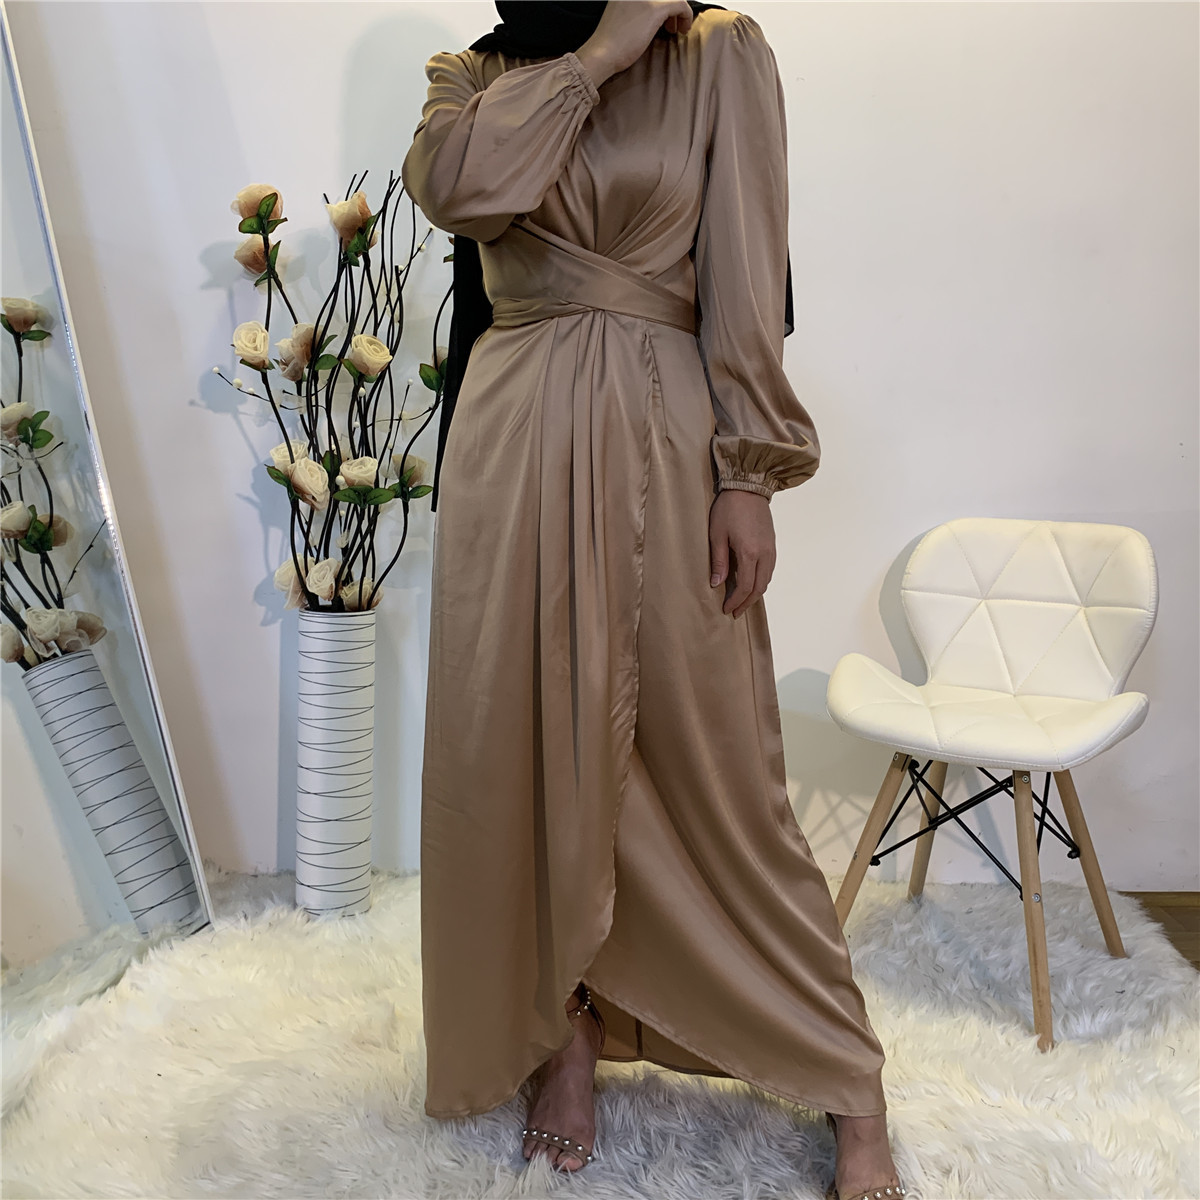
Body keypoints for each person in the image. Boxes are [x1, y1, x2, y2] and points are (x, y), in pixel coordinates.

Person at [401, 4, 908, 1198]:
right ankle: (564, 1038)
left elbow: (747, 269)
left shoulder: (721, 52)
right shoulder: (469, 72)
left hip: (664, 439)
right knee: (516, 758)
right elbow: (459, 191)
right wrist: (599, 56)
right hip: (509, 442)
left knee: (717, 769)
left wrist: (749, 474)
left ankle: (846, 1074)